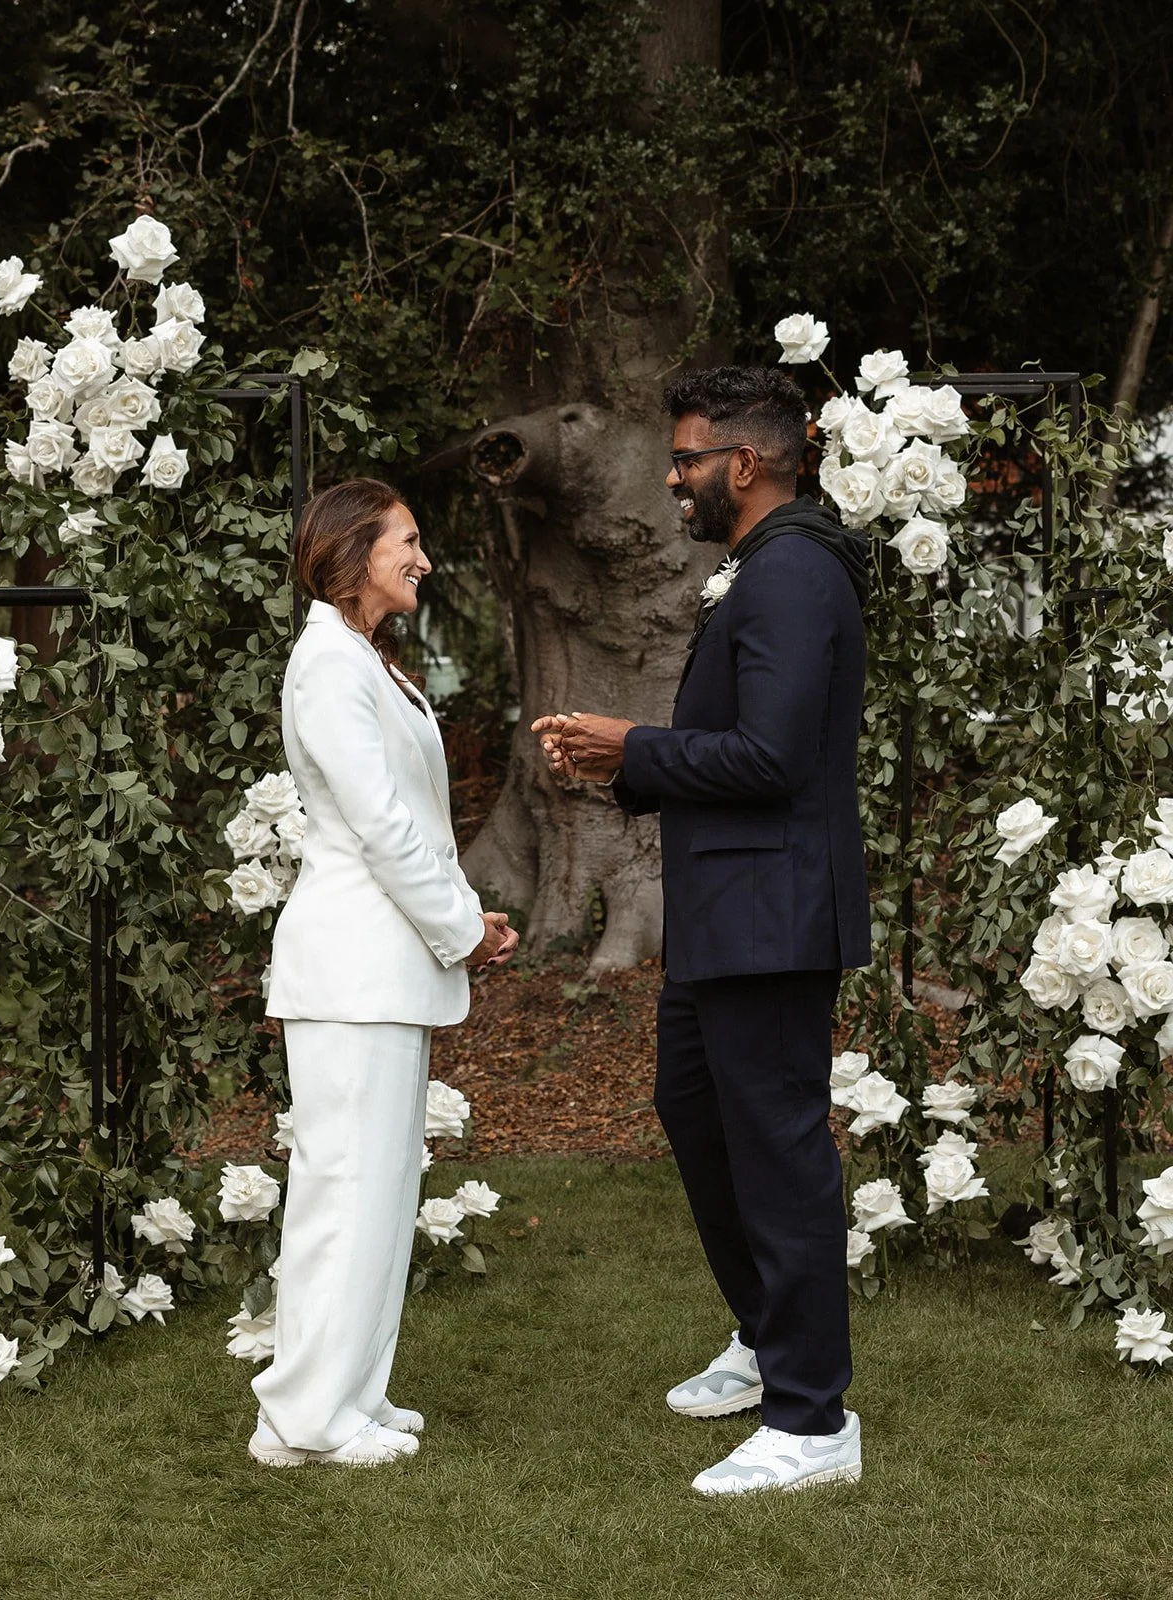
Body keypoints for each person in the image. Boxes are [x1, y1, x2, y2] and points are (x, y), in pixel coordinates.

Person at [532, 366, 870, 1496]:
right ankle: (768, 1336)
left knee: (778, 1152)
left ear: (748, 461)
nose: (674, 478)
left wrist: (631, 746)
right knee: (695, 1110)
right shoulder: (762, 566)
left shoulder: (793, 572)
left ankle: (812, 1421)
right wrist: (623, 762)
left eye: (687, 459)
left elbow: (773, 757)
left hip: (773, 915)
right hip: (728, 912)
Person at [250, 477, 517, 1469]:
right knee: (345, 1195)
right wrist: (463, 929)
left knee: (377, 1193)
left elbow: (411, 826)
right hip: (352, 970)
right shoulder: (328, 663)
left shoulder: (364, 658)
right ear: (355, 549)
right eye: (407, 540)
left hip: (381, 965)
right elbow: (381, 827)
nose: (424, 559)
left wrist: (464, 916)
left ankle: (348, 1397)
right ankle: (306, 1418)